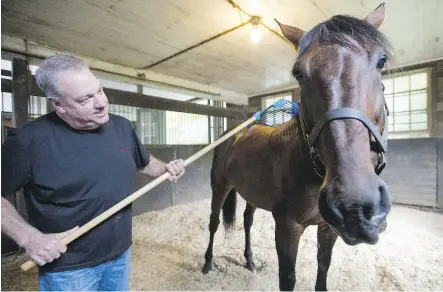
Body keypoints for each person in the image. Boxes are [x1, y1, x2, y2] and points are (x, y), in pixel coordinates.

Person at [1, 54, 186, 291]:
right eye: (85, 98)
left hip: (120, 254)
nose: (101, 102)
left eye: (99, 90)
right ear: (57, 104)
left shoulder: (121, 126)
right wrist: (30, 238)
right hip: (69, 268)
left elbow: (146, 163)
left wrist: (167, 169)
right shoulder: (27, 141)